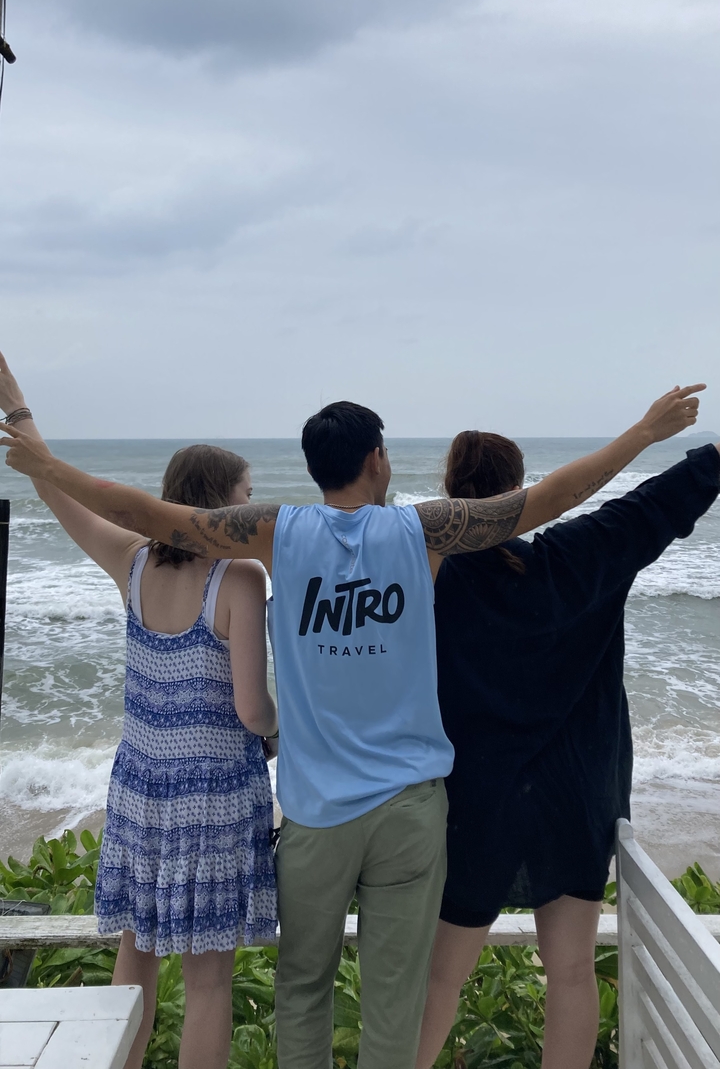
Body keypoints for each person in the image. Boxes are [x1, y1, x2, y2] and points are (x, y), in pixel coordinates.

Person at [1, 382, 704, 1069]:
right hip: (409, 813)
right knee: (395, 998)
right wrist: (644, 433)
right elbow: (551, 501)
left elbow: (149, 515)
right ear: (376, 460)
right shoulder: (422, 532)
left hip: (317, 814)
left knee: (304, 988)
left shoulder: (274, 534)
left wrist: (51, 469)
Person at [0, 355, 278, 1069]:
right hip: (214, 801)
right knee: (210, 984)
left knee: (138, 959)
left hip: (140, 796)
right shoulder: (241, 576)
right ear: (219, 504)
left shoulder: (131, 561)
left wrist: (21, 412)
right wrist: (280, 735)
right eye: (246, 495)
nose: (252, 508)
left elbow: (68, 501)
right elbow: (251, 710)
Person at [415, 429, 720, 1069]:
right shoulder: (580, 556)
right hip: (577, 795)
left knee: (440, 979)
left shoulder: (430, 573)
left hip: (478, 800)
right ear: (524, 491)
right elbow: (655, 504)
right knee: (573, 972)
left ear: (450, 493)